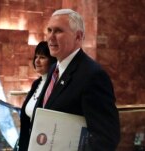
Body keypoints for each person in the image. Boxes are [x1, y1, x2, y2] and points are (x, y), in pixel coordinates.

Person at [32, 9, 120, 151]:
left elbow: (106, 138)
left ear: (78, 37)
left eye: (58, 31)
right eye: (49, 30)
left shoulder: (93, 75)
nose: (50, 37)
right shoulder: (54, 68)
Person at [16, 41, 57, 151]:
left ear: (52, 60)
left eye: (42, 57)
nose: (37, 61)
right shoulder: (36, 83)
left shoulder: (55, 86)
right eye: (36, 57)